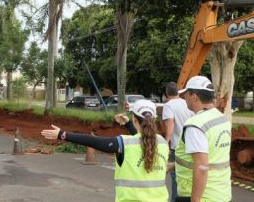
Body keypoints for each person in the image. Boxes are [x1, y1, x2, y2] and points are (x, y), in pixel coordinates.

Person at [41, 100, 169, 202]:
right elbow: (144, 139)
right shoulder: (162, 142)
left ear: (134, 118)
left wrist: (62, 134)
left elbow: (94, 141)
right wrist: (128, 124)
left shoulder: (125, 143)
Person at [173, 76, 231, 202]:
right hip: (222, 193)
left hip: (200, 195)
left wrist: (195, 199)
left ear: (194, 96)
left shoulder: (196, 125)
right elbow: (213, 156)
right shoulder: (222, 119)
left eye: (186, 95)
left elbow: (202, 165)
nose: (184, 99)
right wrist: (173, 165)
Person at [162, 82, 194, 202]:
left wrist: (166, 141)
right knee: (189, 176)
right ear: (178, 91)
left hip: (178, 147)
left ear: (167, 93)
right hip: (192, 145)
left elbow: (170, 123)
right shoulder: (187, 103)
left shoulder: (168, 106)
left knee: (176, 177)